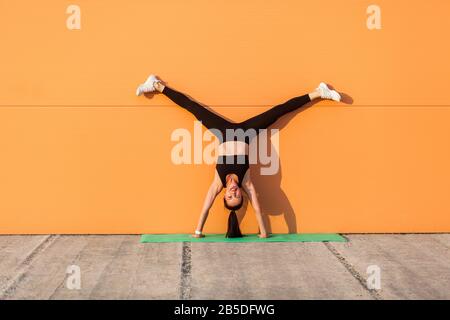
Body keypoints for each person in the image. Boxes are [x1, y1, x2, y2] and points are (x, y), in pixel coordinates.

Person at [136, 75, 341, 238]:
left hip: (224, 132)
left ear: (224, 195)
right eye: (237, 196)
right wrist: (263, 232)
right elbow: (260, 210)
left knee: (193, 108)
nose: (233, 192)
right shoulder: (247, 182)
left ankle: (156, 85)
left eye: (229, 196)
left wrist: (198, 231)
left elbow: (206, 206)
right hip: (246, 133)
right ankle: (319, 92)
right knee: (279, 111)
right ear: (242, 195)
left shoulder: (217, 183)